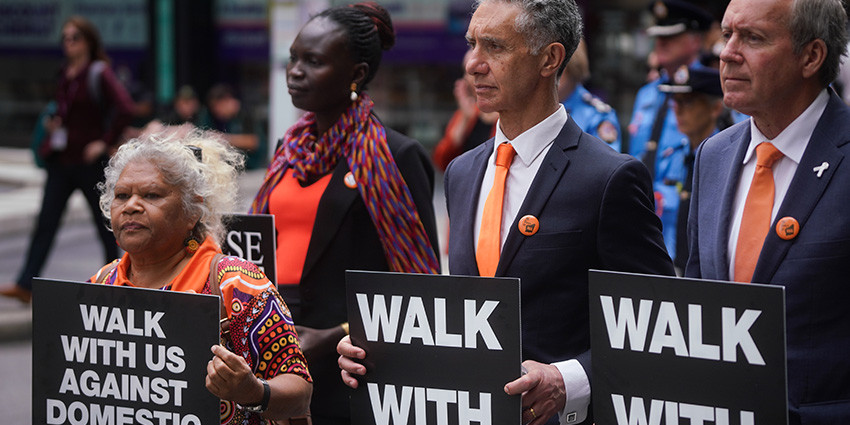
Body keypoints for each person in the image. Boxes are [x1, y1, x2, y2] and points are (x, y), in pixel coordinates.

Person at [338, 1, 674, 424]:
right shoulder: (462, 173)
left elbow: (658, 328)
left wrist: (567, 379)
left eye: (494, 47)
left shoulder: (609, 178)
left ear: (550, 58)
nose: (473, 64)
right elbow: (463, 315)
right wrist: (381, 353)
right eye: (472, 44)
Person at [248, 3, 441, 424]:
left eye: (313, 62)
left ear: (355, 74)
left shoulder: (396, 155)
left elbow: (418, 285)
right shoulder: (288, 148)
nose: (295, 71)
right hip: (272, 338)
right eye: (293, 58)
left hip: (350, 357)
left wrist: (338, 335)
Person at [685, 0, 850, 423]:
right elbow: (697, 304)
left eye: (753, 38)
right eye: (727, 35)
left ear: (811, 56)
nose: (727, 53)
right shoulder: (713, 155)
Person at [88, 129, 313, 424]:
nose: (131, 206)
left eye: (151, 195)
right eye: (121, 195)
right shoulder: (102, 282)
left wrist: (253, 391)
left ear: (191, 211)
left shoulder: (238, 283)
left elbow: (300, 392)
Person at [0, 16, 135, 304]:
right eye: (64, 38)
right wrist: (55, 124)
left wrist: (103, 141)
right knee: (46, 222)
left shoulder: (98, 72)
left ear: (87, 41)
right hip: (61, 162)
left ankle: (117, 282)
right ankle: (26, 283)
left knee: (106, 225)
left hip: (88, 163)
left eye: (74, 37)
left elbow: (125, 107)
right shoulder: (65, 73)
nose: (68, 43)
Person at [627, 0, 715, 260]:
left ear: (695, 41)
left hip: (688, 226)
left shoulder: (712, 88)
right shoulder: (646, 94)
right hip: (643, 224)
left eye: (672, 36)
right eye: (658, 37)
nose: (661, 43)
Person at [658, 65, 725, 272]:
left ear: (714, 108)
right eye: (675, 102)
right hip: (670, 269)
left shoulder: (727, 161)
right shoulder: (671, 157)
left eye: (687, 102)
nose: (678, 110)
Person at [432, 48, 498, 171]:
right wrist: (464, 119)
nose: (474, 78)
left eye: (479, 70)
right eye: (468, 72)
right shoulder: (466, 113)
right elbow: (442, 161)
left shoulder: (510, 115)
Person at [557, 39, 621, 152]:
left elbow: (607, 165)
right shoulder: (535, 108)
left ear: (573, 67)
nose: (550, 72)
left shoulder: (597, 115)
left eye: (559, 68)